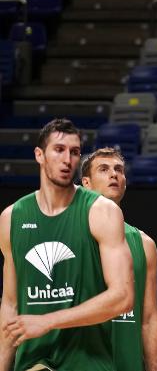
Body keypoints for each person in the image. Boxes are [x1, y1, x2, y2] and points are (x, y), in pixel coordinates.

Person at [0, 118, 134, 371]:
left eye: (74, 152)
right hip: (33, 361)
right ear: (40, 155)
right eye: (59, 150)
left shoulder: (101, 211)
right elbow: (10, 304)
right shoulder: (11, 218)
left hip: (86, 362)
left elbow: (123, 297)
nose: (67, 159)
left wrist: (47, 321)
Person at [81, 147, 157, 371]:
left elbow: (150, 319)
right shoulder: (66, 235)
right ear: (86, 183)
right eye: (104, 169)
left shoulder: (144, 244)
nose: (114, 174)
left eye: (119, 169)